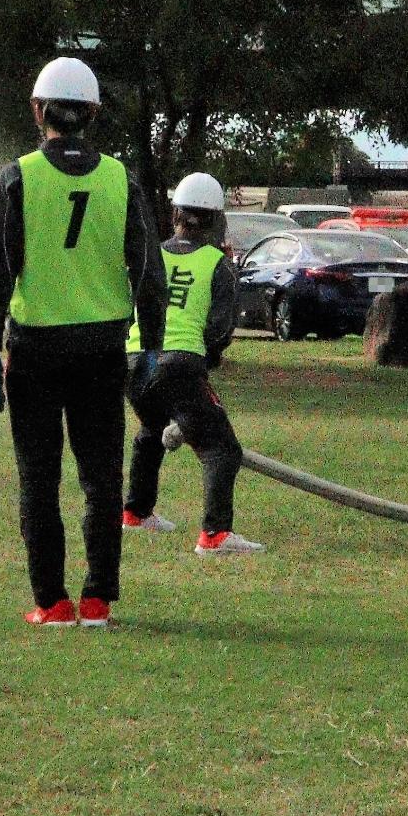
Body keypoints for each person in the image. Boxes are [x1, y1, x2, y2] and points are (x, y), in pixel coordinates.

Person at [0, 57, 162, 628]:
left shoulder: (18, 177)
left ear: (39, 112)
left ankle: (51, 602)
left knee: (39, 479)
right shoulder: (121, 180)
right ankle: (98, 598)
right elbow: (148, 270)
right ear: (93, 114)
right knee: (102, 479)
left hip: (33, 349)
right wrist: (150, 343)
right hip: (102, 350)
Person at [123, 170, 265, 557]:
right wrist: (206, 361)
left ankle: (136, 512)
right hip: (180, 363)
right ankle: (216, 534)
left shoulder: (149, 254)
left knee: (151, 428)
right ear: (217, 220)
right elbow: (219, 330)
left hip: (134, 362)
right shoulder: (217, 265)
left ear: (175, 215)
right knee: (221, 448)